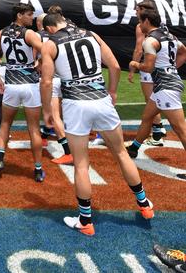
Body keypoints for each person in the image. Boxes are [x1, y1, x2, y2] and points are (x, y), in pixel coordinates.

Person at [40, 12, 154, 235]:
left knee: (81, 164)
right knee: (121, 153)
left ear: (50, 28)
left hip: (76, 105)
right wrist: (112, 91)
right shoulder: (91, 34)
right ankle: (144, 204)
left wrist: (47, 110)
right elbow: (113, 65)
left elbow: (46, 82)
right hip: (101, 100)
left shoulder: (51, 44)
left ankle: (86, 221)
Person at [0, 3, 45, 182]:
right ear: (19, 15)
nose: (32, 18)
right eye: (29, 14)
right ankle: (37, 169)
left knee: (5, 124)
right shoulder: (29, 33)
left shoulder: (2, 32)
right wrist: (39, 65)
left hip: (11, 85)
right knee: (34, 129)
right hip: (30, 85)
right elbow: (45, 50)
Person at [126, 8, 186, 181]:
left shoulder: (149, 41)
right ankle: (134, 148)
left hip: (166, 87)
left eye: (139, 20)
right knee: (147, 117)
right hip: (165, 85)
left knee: (180, 129)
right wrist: (172, 68)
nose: (139, 24)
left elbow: (149, 67)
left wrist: (135, 64)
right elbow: (184, 52)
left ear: (146, 22)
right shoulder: (171, 36)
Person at [128, 0, 168, 146]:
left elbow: (139, 49)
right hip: (161, 65)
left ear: (144, 10)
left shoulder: (141, 26)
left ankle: (158, 131)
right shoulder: (161, 24)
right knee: (155, 98)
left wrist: (133, 68)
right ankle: (157, 130)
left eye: (137, 9)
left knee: (151, 99)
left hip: (149, 66)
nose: (135, 12)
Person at [37, 9, 73, 165]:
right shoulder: (69, 34)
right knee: (68, 113)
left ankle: (68, 152)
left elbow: (38, 60)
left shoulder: (41, 37)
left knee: (54, 115)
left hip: (52, 80)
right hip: (69, 78)